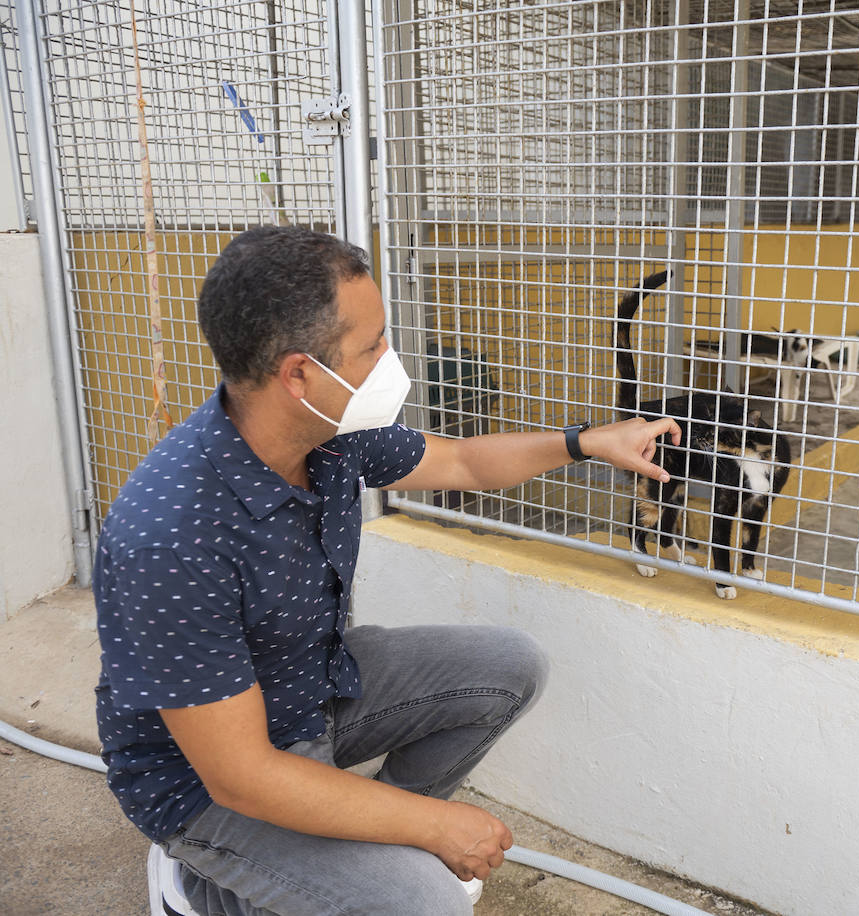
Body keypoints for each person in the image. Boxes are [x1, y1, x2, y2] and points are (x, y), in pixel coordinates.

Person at [93, 226, 680, 915]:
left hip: (311, 689)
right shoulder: (171, 534)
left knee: (508, 666)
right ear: (298, 373)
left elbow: (461, 462)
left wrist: (588, 442)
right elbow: (243, 776)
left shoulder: (332, 431)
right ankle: (200, 886)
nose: (389, 359)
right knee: (427, 903)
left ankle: (358, 859)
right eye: (371, 345)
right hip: (205, 781)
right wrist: (436, 828)